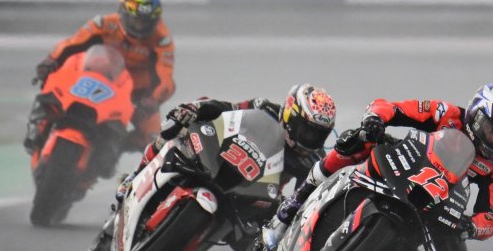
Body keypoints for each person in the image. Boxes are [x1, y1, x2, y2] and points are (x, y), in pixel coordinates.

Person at [261, 84, 493, 251]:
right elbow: (392, 107)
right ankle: (295, 202)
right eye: (491, 129)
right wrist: (375, 120)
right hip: (409, 166)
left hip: (441, 204)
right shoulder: (446, 114)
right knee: (357, 141)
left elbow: (490, 217)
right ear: (475, 116)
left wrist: (472, 226)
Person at [112, 84, 337, 227]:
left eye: (319, 134)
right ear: (290, 115)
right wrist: (194, 110)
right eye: (307, 130)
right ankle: (135, 175)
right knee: (176, 131)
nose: (310, 139)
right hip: (223, 160)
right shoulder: (265, 108)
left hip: (257, 197)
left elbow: (302, 199)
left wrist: (283, 212)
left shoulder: (313, 161)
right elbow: (228, 108)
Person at [26, 0, 175, 163]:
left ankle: (116, 152)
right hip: (95, 75)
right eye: (136, 20)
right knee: (53, 85)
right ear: (124, 12)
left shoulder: (162, 39)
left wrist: (152, 101)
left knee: (155, 140)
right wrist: (50, 60)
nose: (140, 26)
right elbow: (71, 44)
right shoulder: (103, 23)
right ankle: (38, 130)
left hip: (135, 91)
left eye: (145, 22)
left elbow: (166, 79)